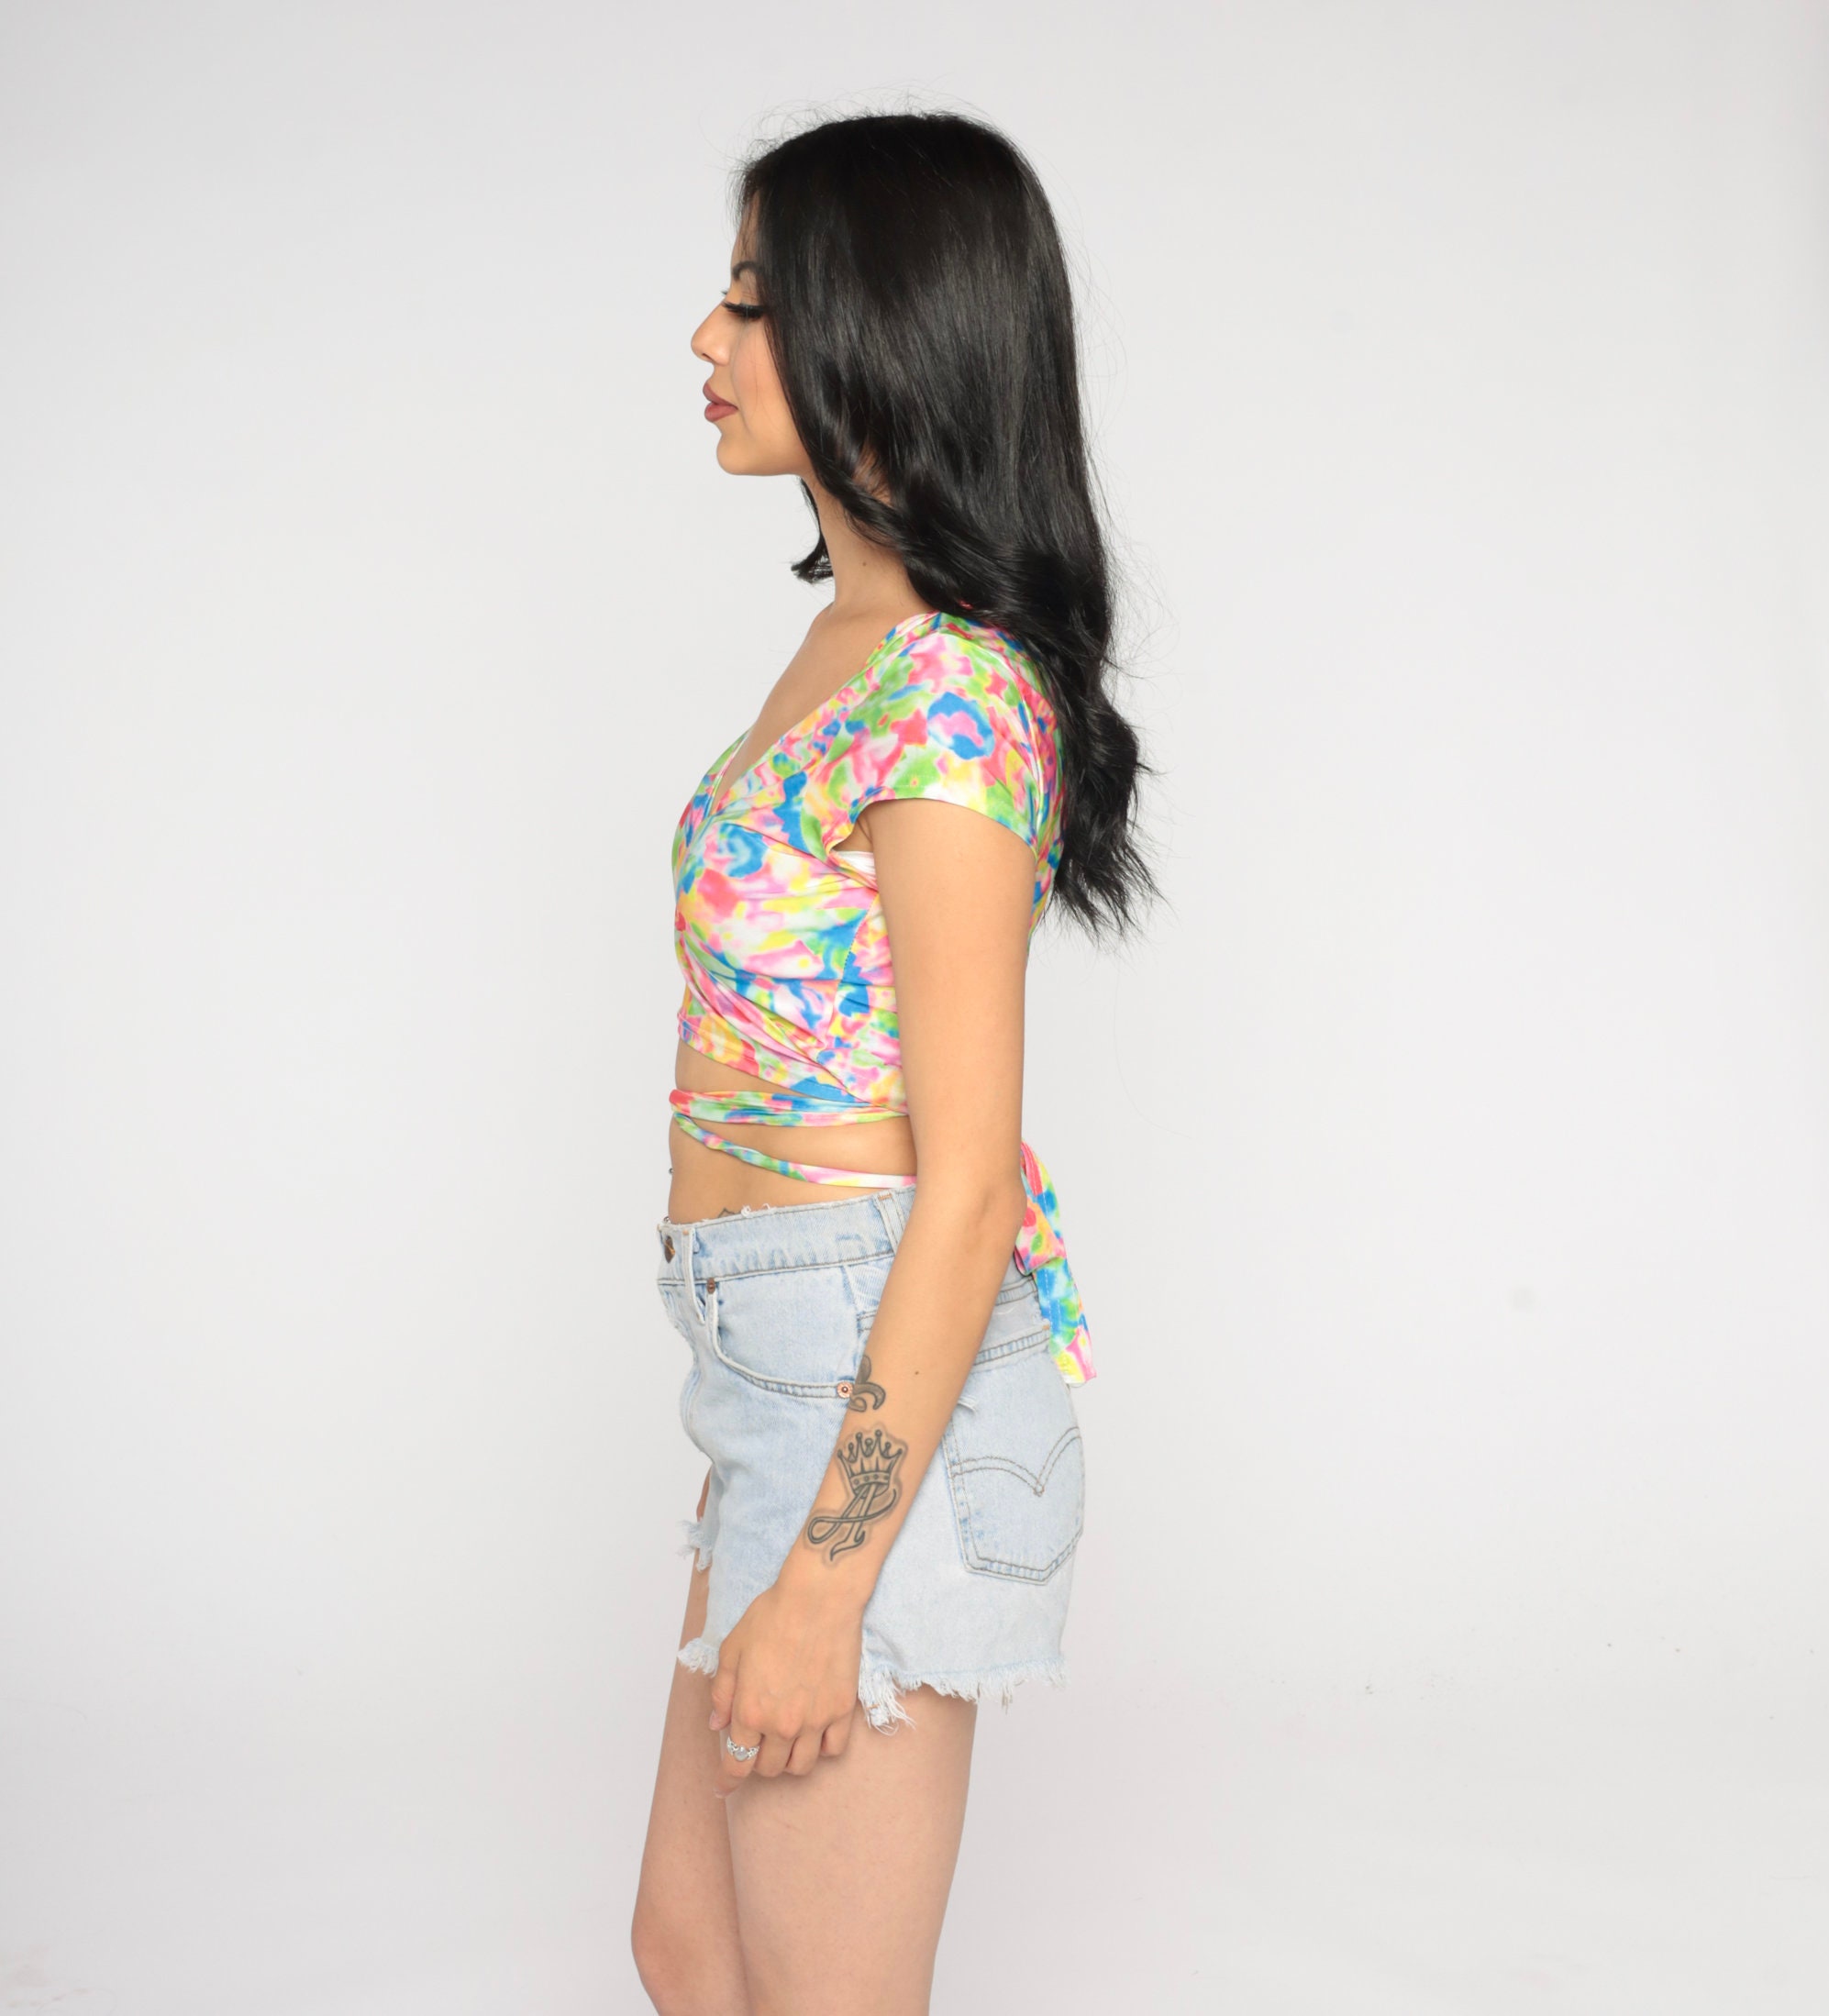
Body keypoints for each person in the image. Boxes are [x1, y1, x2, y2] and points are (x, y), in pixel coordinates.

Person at [631, 110, 1154, 2016]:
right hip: (771, 1346)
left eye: (753, 301)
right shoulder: (851, 641)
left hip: (869, 1364)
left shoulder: (948, 692)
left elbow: (969, 1178)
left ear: (883, 332)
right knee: (693, 1952)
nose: (708, 340)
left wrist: (830, 1578)